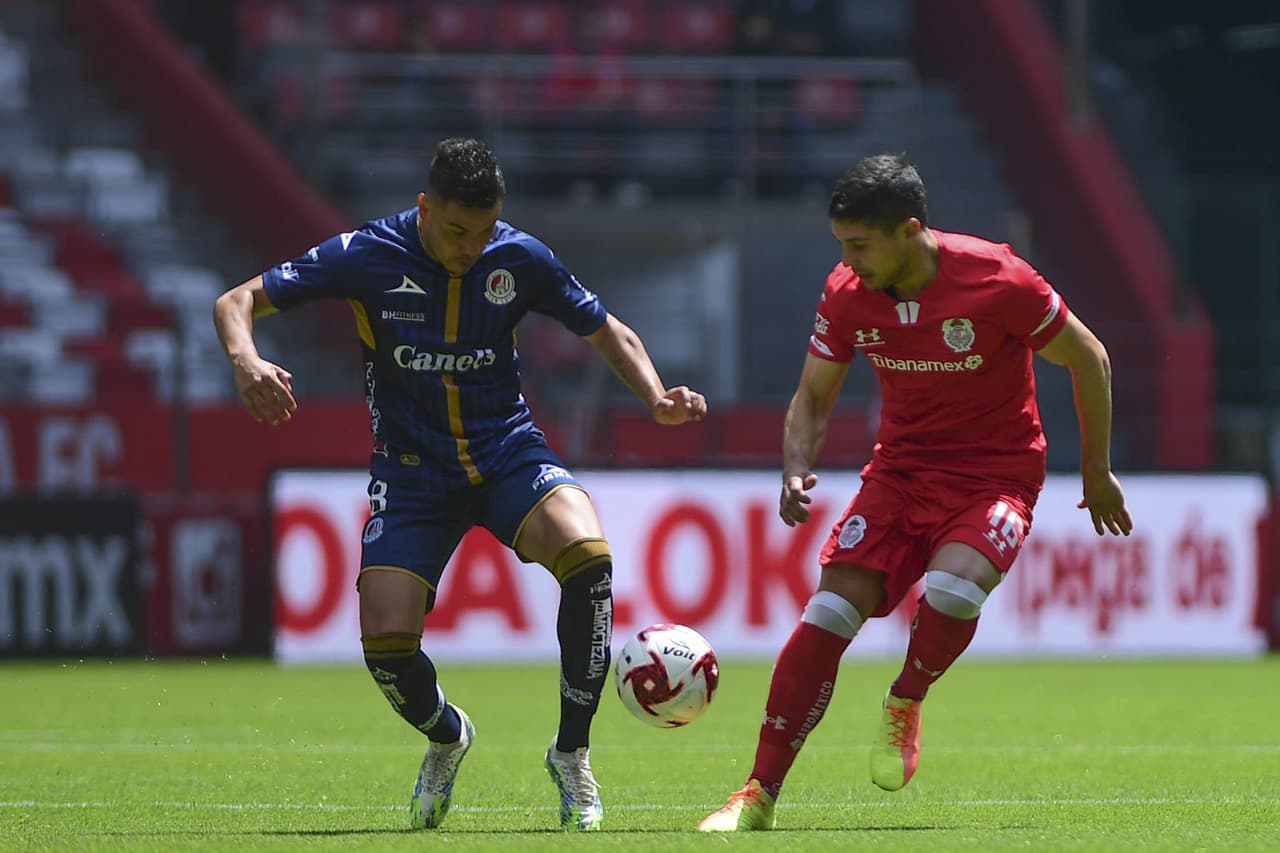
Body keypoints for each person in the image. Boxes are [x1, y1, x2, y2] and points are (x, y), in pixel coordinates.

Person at [213, 137, 707, 832]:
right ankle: (447, 735)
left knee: (589, 555)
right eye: (455, 230)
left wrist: (656, 398)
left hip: (507, 454)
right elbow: (237, 300)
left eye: (482, 230)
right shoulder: (366, 254)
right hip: (413, 476)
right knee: (385, 641)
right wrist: (247, 360)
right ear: (424, 207)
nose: (471, 246)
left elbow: (608, 331)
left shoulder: (520, 257)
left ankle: (571, 754)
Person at [698, 153, 1132, 831]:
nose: (849, 260)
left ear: (909, 230)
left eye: (860, 245)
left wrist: (1098, 471)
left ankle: (906, 697)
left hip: (995, 475)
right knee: (826, 616)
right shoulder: (847, 292)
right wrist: (793, 466)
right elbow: (813, 396)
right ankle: (757, 794)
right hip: (898, 475)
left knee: (953, 590)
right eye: (842, 244)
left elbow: (1090, 356)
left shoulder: (999, 277)